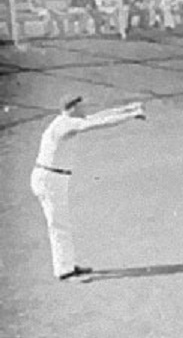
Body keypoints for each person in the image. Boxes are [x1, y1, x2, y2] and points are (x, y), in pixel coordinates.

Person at [31, 95, 146, 279]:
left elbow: (99, 116)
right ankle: (65, 271)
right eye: (81, 105)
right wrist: (131, 116)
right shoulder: (65, 124)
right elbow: (98, 124)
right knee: (58, 224)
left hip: (53, 178)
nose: (85, 108)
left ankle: (66, 266)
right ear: (73, 107)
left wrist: (128, 108)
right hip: (50, 179)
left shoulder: (68, 120)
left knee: (60, 223)